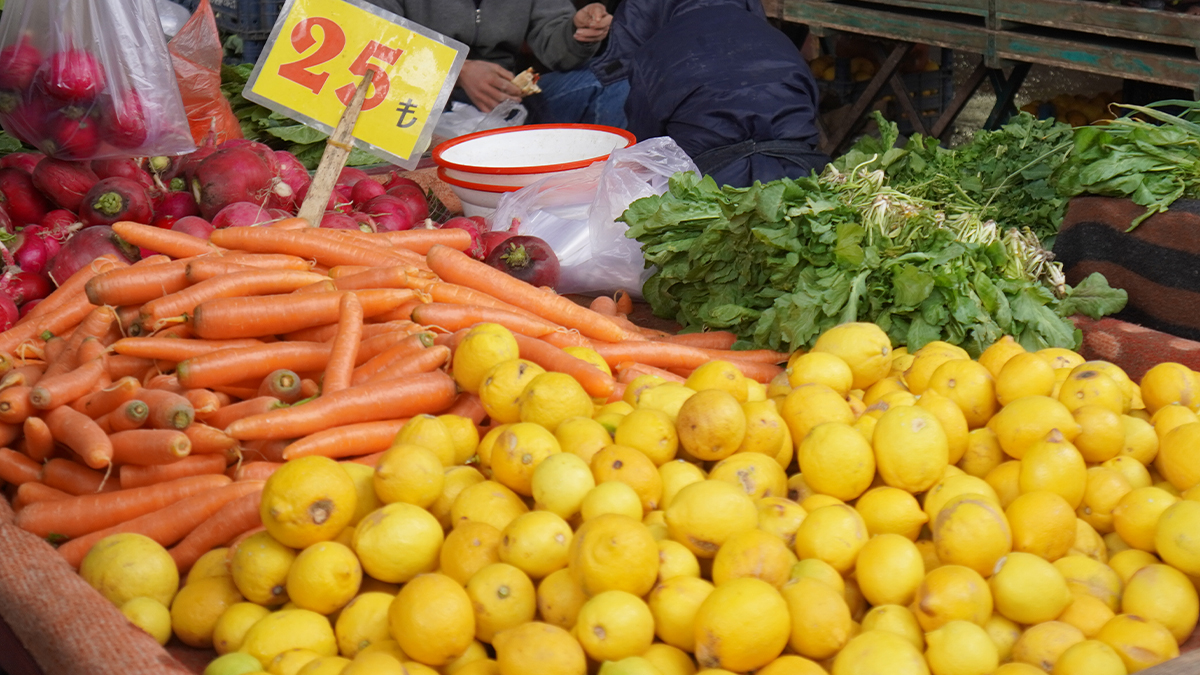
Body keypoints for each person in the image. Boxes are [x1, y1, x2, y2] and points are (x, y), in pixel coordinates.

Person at [589, 0, 830, 187]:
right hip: (799, 176)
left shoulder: (654, 51)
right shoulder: (779, 40)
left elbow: (645, 148)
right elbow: (809, 112)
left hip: (709, 184)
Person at [373, 0, 614, 119]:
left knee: (612, 81)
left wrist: (578, 31)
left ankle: (609, 193)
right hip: (412, 103)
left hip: (505, 101)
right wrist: (455, 70)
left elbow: (555, 48)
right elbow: (366, 38)